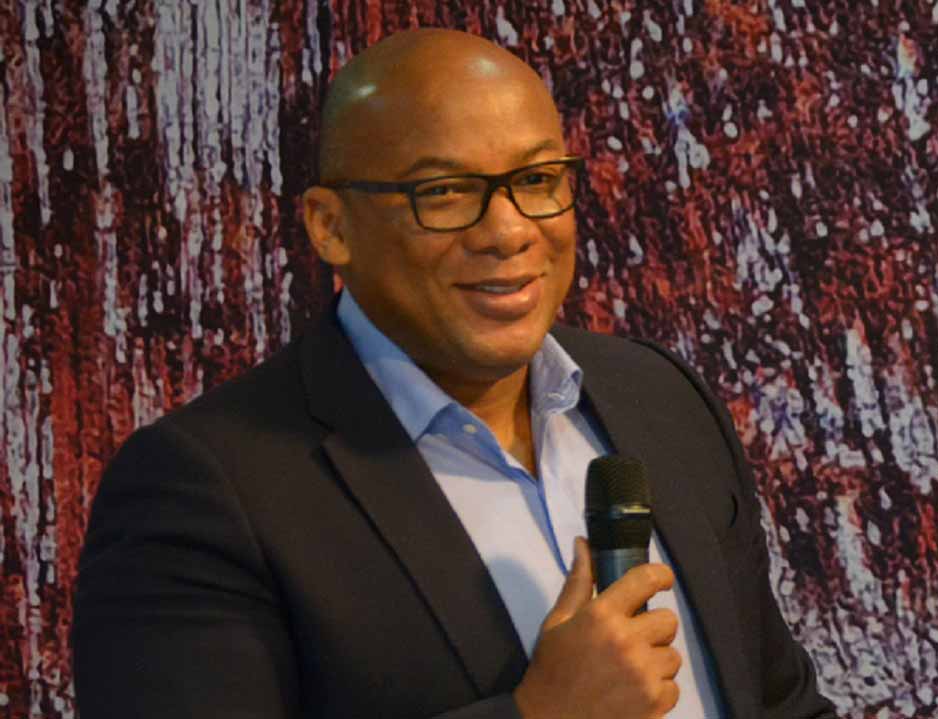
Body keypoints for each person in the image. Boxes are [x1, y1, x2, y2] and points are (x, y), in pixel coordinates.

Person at [71, 28, 835, 719]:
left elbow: (781, 702)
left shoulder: (660, 396)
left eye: (538, 180)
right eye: (443, 192)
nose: (507, 231)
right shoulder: (204, 487)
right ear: (330, 226)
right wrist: (538, 715)